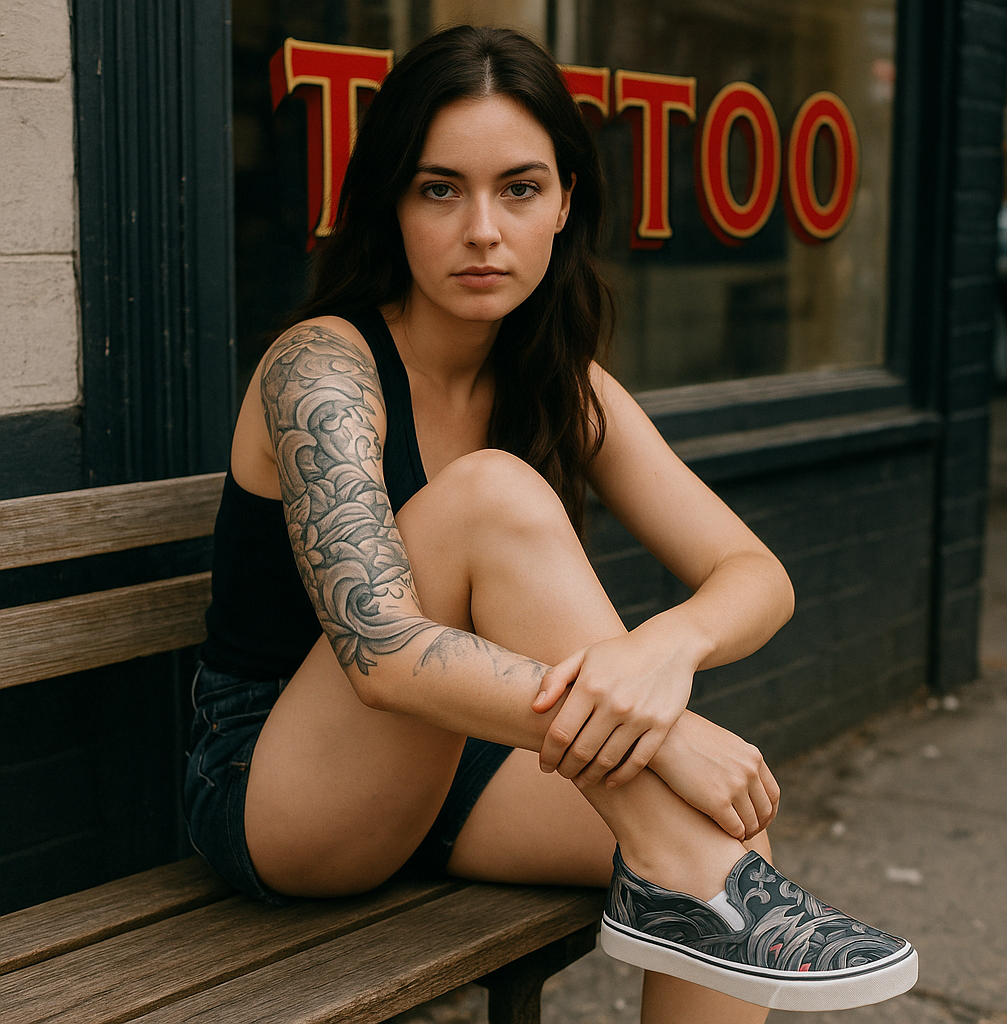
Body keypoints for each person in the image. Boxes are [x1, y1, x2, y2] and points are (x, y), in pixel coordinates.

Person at [184, 25, 917, 1020]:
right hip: (279, 784)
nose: (482, 229)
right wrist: (657, 738)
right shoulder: (323, 367)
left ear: (566, 200)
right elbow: (383, 655)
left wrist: (664, 652)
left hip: (457, 765)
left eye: (519, 189)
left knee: (720, 842)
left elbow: (753, 571)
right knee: (493, 497)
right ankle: (676, 871)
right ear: (391, 205)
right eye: (439, 188)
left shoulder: (558, 381)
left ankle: (680, 877)